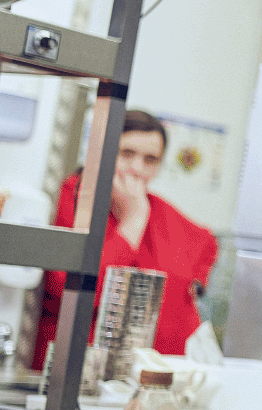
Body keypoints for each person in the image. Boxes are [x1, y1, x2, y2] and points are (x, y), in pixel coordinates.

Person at [34, 110, 218, 368]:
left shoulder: (162, 213)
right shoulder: (72, 197)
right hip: (76, 368)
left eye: (150, 160)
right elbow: (73, 292)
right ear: (102, 153)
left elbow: (201, 251)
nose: (137, 169)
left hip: (150, 371)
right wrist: (133, 220)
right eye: (126, 154)